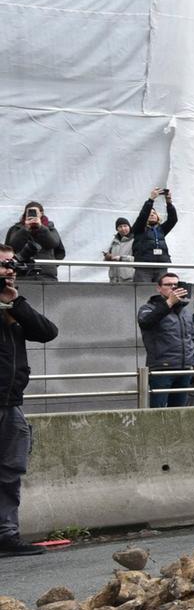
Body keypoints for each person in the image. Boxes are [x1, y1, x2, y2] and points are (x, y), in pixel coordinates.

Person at [0, 243, 57, 556]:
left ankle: (7, 536)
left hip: (11, 406)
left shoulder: (14, 307)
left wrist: (16, 303)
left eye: (11, 265)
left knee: (9, 474)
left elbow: (48, 332)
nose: (10, 271)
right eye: (4, 265)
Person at [136, 273, 194, 407]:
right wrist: (169, 302)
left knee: (178, 412)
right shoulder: (148, 308)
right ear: (159, 288)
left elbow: (192, 337)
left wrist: (192, 361)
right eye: (168, 285)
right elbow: (146, 323)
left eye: (176, 285)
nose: (173, 288)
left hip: (185, 368)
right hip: (162, 368)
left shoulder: (184, 311)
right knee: (157, 411)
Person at [5, 203, 64, 280]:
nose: (32, 215)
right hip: (22, 274)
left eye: (35, 212)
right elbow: (10, 248)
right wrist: (25, 228)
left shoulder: (50, 228)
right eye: (29, 212)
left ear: (41, 213)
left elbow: (55, 246)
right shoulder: (16, 229)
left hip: (46, 275)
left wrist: (50, 265)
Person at [129, 189, 178, 283]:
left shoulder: (161, 229)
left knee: (162, 291)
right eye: (150, 214)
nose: (152, 215)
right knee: (143, 291)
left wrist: (169, 202)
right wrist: (151, 199)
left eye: (154, 213)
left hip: (161, 265)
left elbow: (173, 219)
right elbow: (143, 216)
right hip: (144, 267)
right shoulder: (139, 228)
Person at [105, 217, 136, 284]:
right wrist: (107, 257)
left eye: (125, 226)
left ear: (129, 227)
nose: (123, 229)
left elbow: (138, 258)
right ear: (117, 229)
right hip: (114, 279)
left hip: (129, 279)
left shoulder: (135, 241)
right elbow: (109, 257)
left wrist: (121, 258)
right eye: (120, 227)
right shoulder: (114, 241)